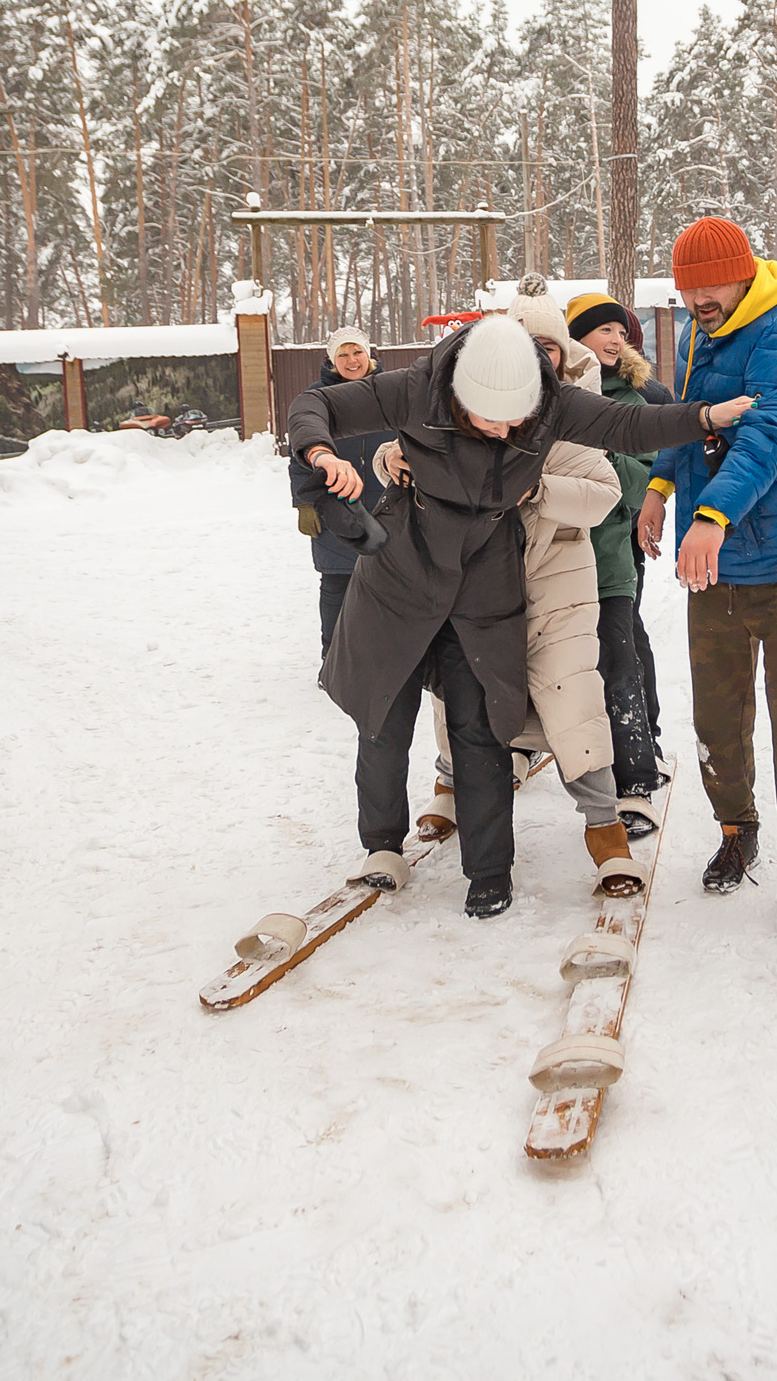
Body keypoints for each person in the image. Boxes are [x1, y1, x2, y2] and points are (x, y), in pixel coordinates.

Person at [291, 313, 748, 918]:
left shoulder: (551, 404)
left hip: (484, 582)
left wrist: (704, 418)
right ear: (459, 396)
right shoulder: (416, 388)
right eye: (491, 417)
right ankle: (380, 846)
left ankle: (489, 871)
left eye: (517, 418)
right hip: (401, 577)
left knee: (479, 724)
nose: (507, 430)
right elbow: (312, 405)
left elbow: (627, 425)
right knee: (383, 717)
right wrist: (324, 454)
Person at [385, 278, 647, 894]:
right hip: (474, 587)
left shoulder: (574, 413)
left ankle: (604, 831)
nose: (534, 357)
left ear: (563, 356)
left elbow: (606, 492)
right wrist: (386, 462)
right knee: (461, 694)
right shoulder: (470, 403)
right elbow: (410, 449)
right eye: (522, 343)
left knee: (572, 700)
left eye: (547, 347)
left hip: (557, 583)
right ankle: (450, 786)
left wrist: (538, 490)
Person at [635, 217, 777, 930]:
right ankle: (736, 828)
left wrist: (711, 516)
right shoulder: (700, 332)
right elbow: (689, 418)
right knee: (719, 713)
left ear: (744, 272)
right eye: (686, 288)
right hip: (721, 561)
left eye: (710, 285)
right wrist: (663, 490)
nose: (698, 298)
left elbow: (765, 436)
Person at [566, 287, 665, 833]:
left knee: (619, 654)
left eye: (621, 333)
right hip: (549, 559)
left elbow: (647, 473)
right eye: (605, 330)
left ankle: (637, 768)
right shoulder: (549, 395)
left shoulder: (633, 399)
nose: (616, 339)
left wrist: (607, 461)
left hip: (612, 551)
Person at [286, 326, 389, 656]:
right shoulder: (318, 398)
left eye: (357, 352)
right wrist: (304, 502)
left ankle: (387, 655)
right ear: (332, 360)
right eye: (342, 354)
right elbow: (299, 457)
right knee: (337, 584)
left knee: (389, 586)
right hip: (336, 505)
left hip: (388, 504)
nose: (351, 360)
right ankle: (333, 657)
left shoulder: (389, 393)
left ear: (369, 354)